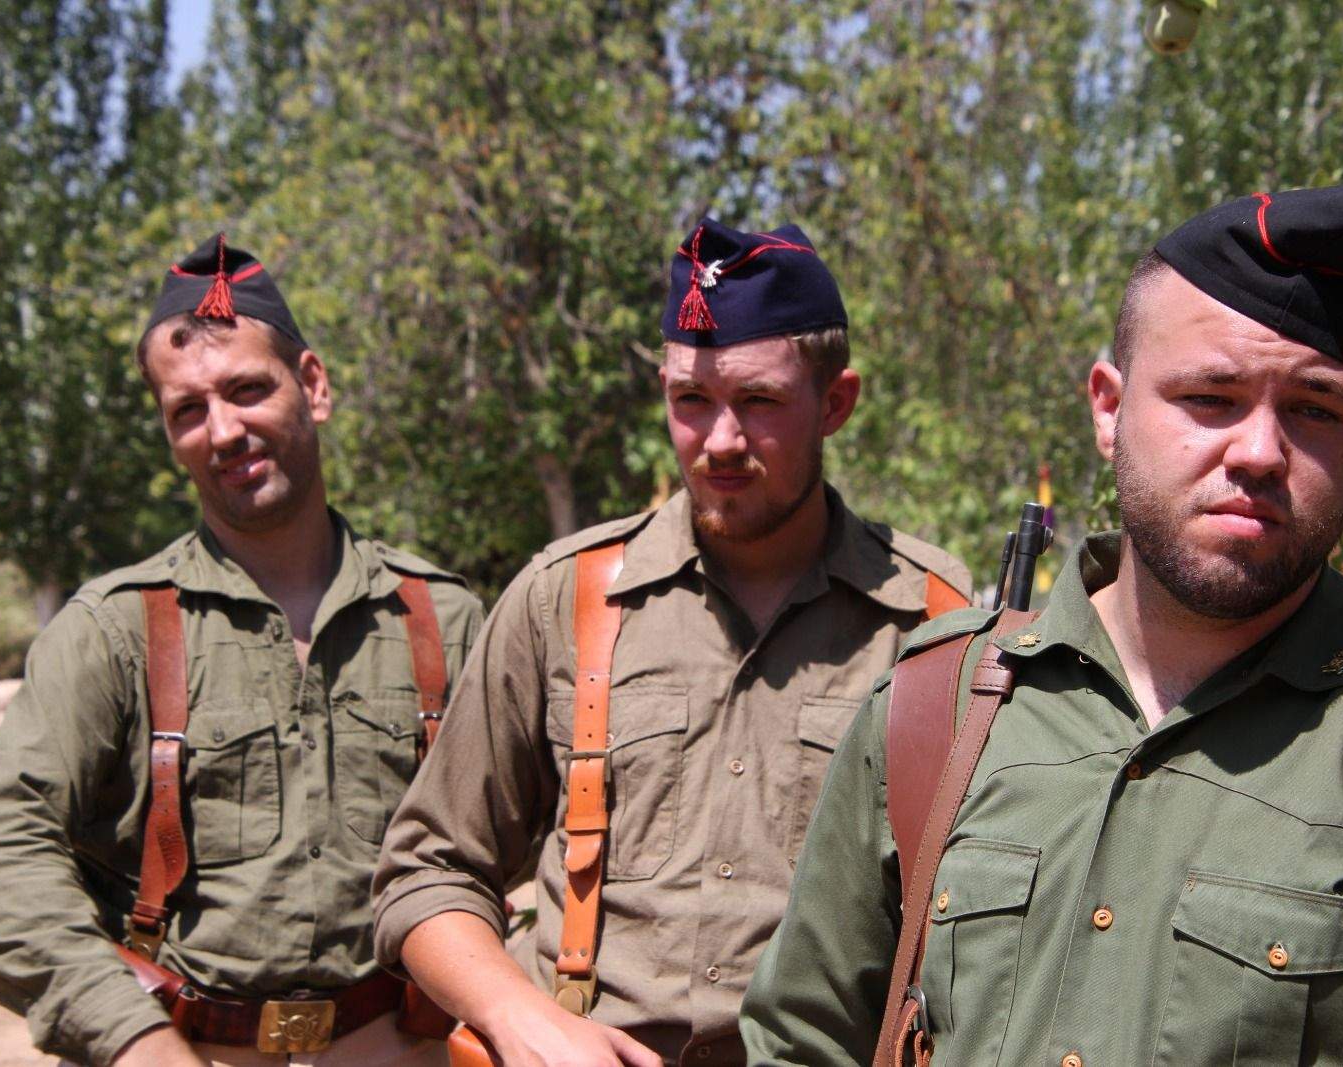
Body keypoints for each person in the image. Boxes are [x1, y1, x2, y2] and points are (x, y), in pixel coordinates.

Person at [739, 183, 1343, 1066]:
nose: (1259, 451)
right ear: (1108, 408)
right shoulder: (932, 715)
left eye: (1315, 410)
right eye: (1210, 397)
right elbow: (802, 1042)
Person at [371, 218, 972, 1067]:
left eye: (758, 402)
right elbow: (425, 868)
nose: (719, 441)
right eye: (691, 400)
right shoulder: (568, 600)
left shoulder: (933, 620)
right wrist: (523, 1017)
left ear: (835, 403)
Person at [0, 234, 485, 1067]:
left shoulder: (443, 619)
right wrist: (132, 1036)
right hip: (181, 1047)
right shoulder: (111, 631)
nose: (224, 430)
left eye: (248, 389)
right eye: (188, 409)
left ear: (313, 385)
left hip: (400, 1045)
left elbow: (551, 845)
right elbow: (3, 843)